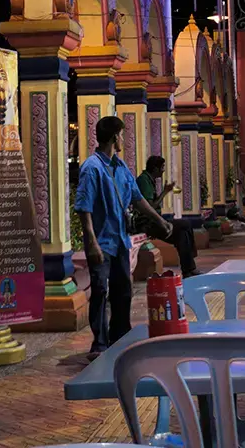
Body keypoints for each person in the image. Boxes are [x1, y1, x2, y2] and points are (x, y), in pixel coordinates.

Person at [75, 116, 173, 359]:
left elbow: (137, 198)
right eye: (121, 135)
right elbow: (84, 208)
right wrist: (92, 242)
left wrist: (159, 220)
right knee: (100, 290)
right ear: (113, 138)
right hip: (101, 242)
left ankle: (119, 334)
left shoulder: (121, 168)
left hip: (119, 240)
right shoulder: (92, 168)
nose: (123, 139)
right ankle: (99, 344)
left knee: (123, 290)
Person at [135, 155, 201, 278]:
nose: (163, 170)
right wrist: (165, 192)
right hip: (147, 223)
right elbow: (149, 208)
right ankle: (190, 263)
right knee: (185, 224)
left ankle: (188, 270)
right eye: (162, 167)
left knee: (182, 235)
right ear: (155, 169)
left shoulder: (149, 180)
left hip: (154, 221)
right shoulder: (143, 181)